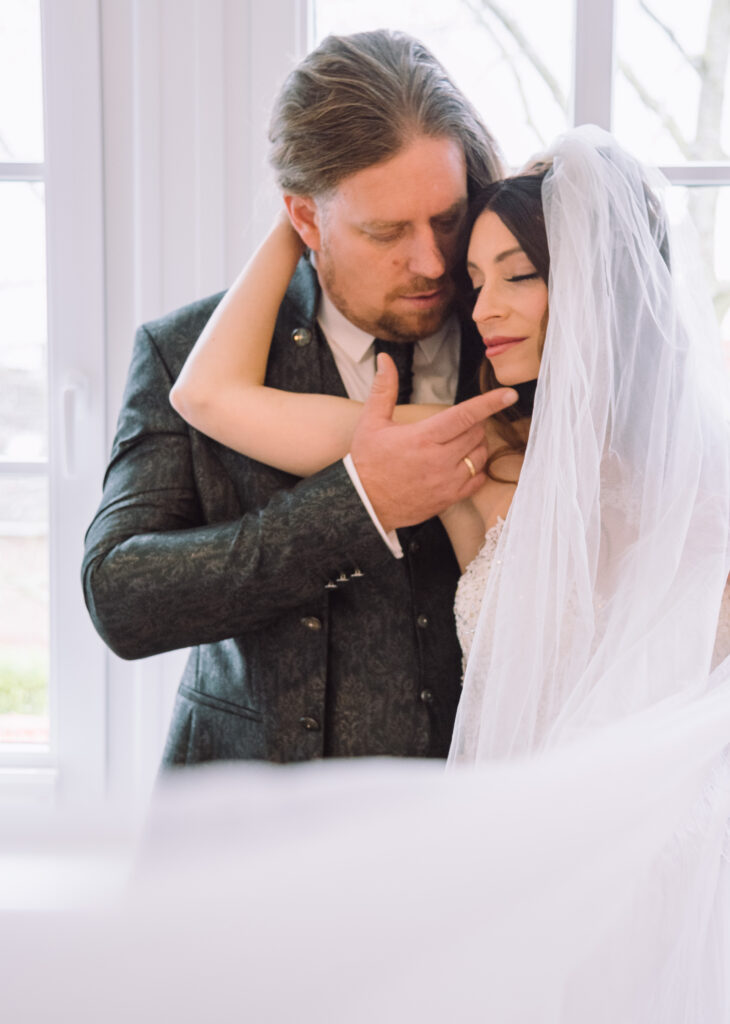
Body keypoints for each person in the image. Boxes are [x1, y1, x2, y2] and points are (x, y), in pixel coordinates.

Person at [169, 125, 730, 1017]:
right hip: (509, 900)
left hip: (666, 909)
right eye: (476, 281)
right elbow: (206, 396)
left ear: (600, 283)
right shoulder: (472, 457)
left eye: (519, 274)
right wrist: (303, 220)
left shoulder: (714, 501)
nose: (486, 308)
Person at [81, 30, 515, 767]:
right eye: (386, 232)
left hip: (472, 836)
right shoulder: (185, 352)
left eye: (447, 217)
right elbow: (122, 599)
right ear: (306, 219)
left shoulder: (517, 334)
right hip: (242, 835)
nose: (432, 260)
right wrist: (357, 504)